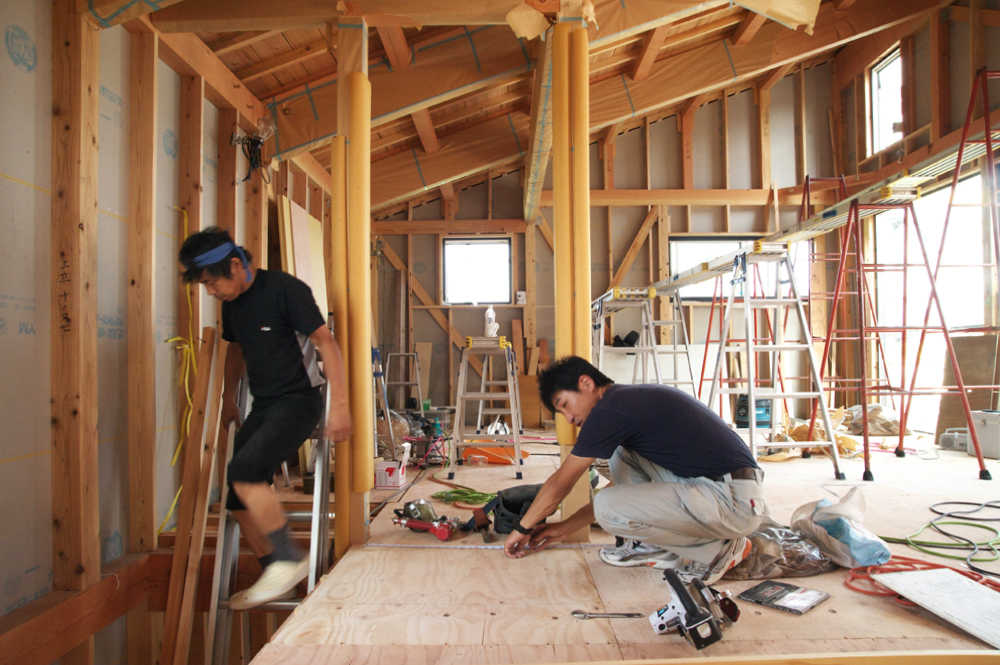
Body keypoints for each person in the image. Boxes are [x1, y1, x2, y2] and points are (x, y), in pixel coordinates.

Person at [179, 227, 352, 609]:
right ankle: (276, 571)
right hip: (265, 405)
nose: (210, 291)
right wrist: (228, 398)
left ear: (234, 265)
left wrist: (340, 406)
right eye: (204, 286)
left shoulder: (286, 290)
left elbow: (326, 342)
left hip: (299, 401)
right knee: (235, 494)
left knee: (246, 471)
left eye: (211, 283)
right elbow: (235, 351)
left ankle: (289, 559)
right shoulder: (232, 304)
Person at [503, 356, 766, 584]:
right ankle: (650, 545)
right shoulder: (624, 402)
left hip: (733, 501)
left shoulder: (609, 411)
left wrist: (522, 529)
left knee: (607, 507)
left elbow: (561, 482)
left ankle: (718, 551)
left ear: (586, 383)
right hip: (730, 492)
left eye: (565, 405)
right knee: (620, 457)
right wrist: (563, 528)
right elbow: (626, 493)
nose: (569, 418)